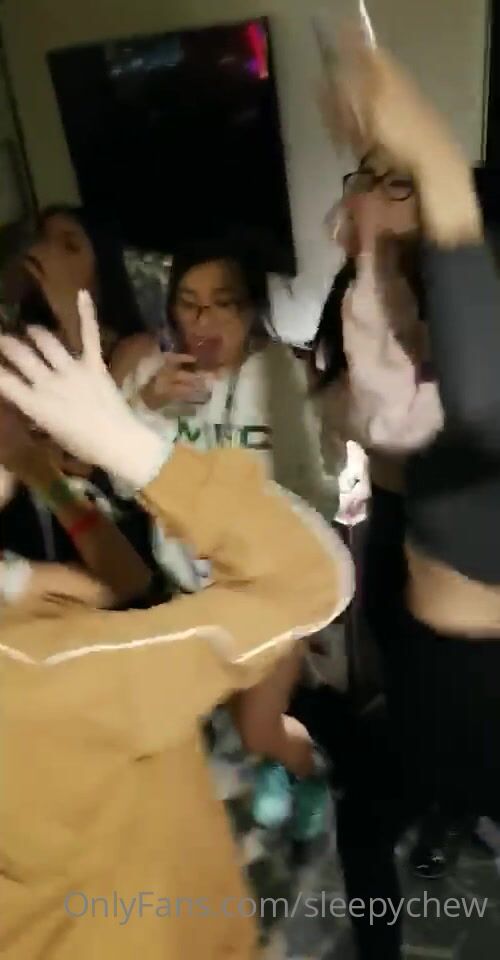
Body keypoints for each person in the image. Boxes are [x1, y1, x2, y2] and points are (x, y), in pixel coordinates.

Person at [0, 291, 351, 960]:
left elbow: (125, 584)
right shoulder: (38, 672)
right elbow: (313, 581)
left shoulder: (19, 594)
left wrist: (39, 470)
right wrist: (125, 441)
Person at [315, 34, 500, 959]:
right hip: (421, 652)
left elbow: (478, 409)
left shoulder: (478, 357)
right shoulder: (392, 311)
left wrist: (435, 158)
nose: (378, 192)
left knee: (381, 808)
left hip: (484, 679)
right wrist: (376, 259)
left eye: (402, 182)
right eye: (370, 177)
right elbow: (369, 430)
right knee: (373, 813)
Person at [111, 239, 354, 839]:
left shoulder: (284, 374)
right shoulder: (154, 378)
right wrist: (146, 407)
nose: (203, 320)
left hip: (269, 595)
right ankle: (279, 765)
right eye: (188, 303)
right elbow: (122, 483)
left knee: (257, 725)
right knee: (230, 716)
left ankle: (310, 772)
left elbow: (320, 491)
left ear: (252, 309)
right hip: (192, 597)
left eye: (223, 303)